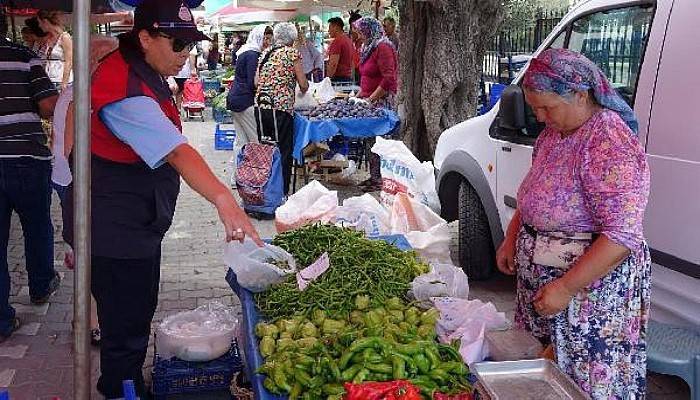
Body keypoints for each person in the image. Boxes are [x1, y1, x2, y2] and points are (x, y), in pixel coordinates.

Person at [62, 0, 263, 397]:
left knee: (133, 316)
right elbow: (177, 151)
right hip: (116, 228)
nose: (185, 53)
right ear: (145, 37)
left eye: (190, 43)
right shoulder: (126, 92)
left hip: (131, 219)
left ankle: (124, 381)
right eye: (177, 43)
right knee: (126, 325)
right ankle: (122, 389)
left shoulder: (139, 69)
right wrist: (224, 199)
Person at [495, 48, 650, 400]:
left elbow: (621, 235)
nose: (539, 116)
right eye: (534, 107)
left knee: (585, 382)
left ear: (580, 96)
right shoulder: (553, 134)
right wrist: (512, 237)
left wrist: (565, 288)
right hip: (549, 284)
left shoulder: (608, 139)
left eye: (547, 107)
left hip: (589, 294)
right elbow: (533, 192)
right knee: (549, 372)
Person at [53, 35, 119, 347]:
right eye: (108, 59)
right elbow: (71, 150)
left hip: (89, 187)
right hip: (77, 188)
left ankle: (92, 318)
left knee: (91, 256)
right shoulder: (77, 97)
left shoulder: (95, 93)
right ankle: (89, 323)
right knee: (88, 259)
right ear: (91, 62)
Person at [0, 8, 61, 343]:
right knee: (37, 224)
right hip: (26, 156)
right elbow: (49, 105)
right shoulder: (24, 56)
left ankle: (1, 321)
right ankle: (40, 285)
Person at [254, 22, 309, 196]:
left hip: (261, 108)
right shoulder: (292, 53)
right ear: (292, 39)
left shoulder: (265, 53)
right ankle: (281, 192)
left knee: (267, 149)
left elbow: (256, 82)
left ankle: (266, 188)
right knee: (284, 150)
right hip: (281, 108)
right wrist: (303, 89)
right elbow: (303, 84)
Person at [352, 17, 398, 192]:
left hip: (381, 103)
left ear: (370, 30)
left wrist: (371, 98)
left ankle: (383, 179)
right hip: (368, 101)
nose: (359, 36)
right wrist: (358, 95)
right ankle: (374, 177)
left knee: (381, 141)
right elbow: (365, 77)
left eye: (361, 33)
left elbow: (388, 78)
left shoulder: (383, 47)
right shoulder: (368, 47)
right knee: (370, 140)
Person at [227, 24, 269, 187]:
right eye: (265, 38)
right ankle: (257, 178)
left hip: (236, 99)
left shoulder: (245, 51)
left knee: (241, 142)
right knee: (254, 141)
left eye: (269, 38)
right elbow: (254, 82)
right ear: (258, 37)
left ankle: (238, 178)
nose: (267, 41)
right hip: (245, 101)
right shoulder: (253, 54)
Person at [36, 11, 72, 89]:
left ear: (45, 22)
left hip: (61, 81)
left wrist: (64, 83)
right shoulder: (49, 38)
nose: (39, 26)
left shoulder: (65, 37)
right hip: (50, 80)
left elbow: (69, 61)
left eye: (40, 22)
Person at [326, 17, 354, 83]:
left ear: (336, 27)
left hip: (338, 79)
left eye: (330, 28)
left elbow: (333, 64)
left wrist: (327, 79)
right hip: (348, 78)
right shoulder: (348, 40)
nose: (328, 31)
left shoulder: (337, 42)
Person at [172, 44, 198, 113]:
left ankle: (177, 109)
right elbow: (192, 57)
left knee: (178, 91)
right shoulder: (191, 44)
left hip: (174, 70)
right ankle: (189, 110)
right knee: (186, 91)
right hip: (185, 71)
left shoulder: (176, 41)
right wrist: (193, 69)